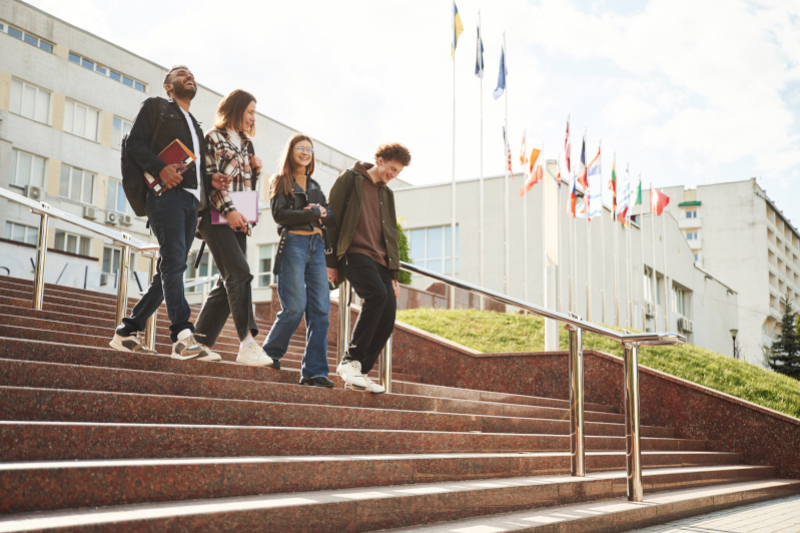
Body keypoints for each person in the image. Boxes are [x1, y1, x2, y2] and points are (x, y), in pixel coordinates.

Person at [109, 65, 214, 361]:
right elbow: (134, 143)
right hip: (165, 195)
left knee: (170, 265)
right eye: (181, 74)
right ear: (168, 86)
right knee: (173, 262)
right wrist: (159, 168)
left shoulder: (195, 124)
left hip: (191, 202)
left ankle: (127, 331)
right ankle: (182, 335)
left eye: (192, 73)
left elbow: (195, 168)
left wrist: (208, 191)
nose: (189, 76)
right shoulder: (156, 107)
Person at [192, 89, 274, 367]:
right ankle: (247, 342)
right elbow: (209, 178)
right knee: (240, 273)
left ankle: (198, 343)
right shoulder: (212, 138)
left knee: (227, 281)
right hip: (216, 216)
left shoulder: (247, 145)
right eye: (250, 111)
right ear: (235, 109)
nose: (253, 117)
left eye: (255, 112)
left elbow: (244, 185)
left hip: (239, 218)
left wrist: (256, 170)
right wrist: (230, 211)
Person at [326, 143, 411, 394]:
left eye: (398, 172)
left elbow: (391, 234)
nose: (393, 175)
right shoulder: (351, 179)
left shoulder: (387, 194)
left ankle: (360, 371)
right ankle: (349, 361)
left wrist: (394, 275)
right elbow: (331, 219)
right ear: (380, 160)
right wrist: (331, 261)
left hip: (381, 261)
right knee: (376, 297)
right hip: (354, 252)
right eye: (392, 169)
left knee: (388, 315)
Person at [262, 134, 336, 387]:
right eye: (300, 148)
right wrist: (313, 213)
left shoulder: (314, 184)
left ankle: (315, 372)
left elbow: (330, 214)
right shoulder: (280, 181)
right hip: (293, 243)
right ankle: (269, 354)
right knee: (294, 307)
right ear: (291, 151)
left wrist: (323, 212)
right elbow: (279, 215)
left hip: (317, 247)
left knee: (321, 312)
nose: (305, 152)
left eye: (309, 149)